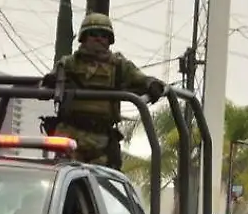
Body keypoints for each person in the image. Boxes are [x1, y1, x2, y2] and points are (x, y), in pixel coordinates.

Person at [41, 13, 166, 169]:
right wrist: (51, 81)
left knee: (102, 179)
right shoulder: (69, 63)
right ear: (84, 37)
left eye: (104, 35)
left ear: (109, 40)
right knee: (66, 176)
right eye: (94, 34)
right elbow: (45, 86)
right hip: (71, 135)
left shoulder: (119, 65)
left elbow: (142, 79)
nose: (99, 39)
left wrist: (152, 85)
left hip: (101, 140)